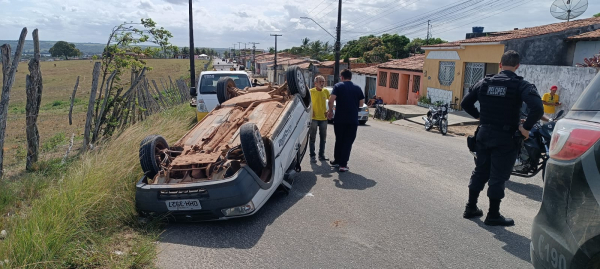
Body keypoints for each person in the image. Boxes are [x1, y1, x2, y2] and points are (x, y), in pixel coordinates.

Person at [461, 50, 543, 226]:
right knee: (498, 176)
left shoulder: (484, 82)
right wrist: (525, 128)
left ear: (500, 65)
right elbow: (538, 108)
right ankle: (493, 215)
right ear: (517, 66)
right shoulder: (520, 85)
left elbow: (465, 103)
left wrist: (479, 117)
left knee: (480, 171)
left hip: (483, 134)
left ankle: (471, 207)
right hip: (505, 138)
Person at [327, 69, 365, 172]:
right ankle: (343, 165)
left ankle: (337, 161)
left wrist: (330, 111)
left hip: (339, 119)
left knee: (339, 140)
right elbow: (361, 104)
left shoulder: (338, 86)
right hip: (352, 120)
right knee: (348, 142)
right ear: (351, 77)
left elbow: (331, 100)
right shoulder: (357, 88)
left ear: (342, 77)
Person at [309, 75, 330, 162]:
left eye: (323, 81)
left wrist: (329, 110)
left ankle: (321, 155)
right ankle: (312, 156)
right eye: (320, 82)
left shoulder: (326, 91)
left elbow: (330, 102)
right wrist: (310, 110)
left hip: (323, 118)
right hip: (313, 118)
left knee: (323, 138)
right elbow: (307, 103)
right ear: (315, 83)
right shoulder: (311, 92)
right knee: (312, 137)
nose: (322, 83)